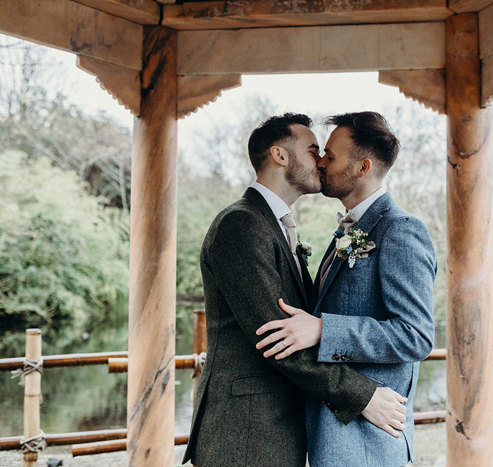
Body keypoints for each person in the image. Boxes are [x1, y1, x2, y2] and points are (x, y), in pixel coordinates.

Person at [183, 113, 408, 467]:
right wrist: (363, 396)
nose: (321, 160)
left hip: (272, 429)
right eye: (313, 149)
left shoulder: (274, 225)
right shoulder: (241, 224)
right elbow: (277, 336)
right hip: (245, 433)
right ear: (280, 156)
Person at [256, 111, 437, 466]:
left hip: (368, 443)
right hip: (332, 437)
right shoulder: (347, 231)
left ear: (362, 167)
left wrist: (323, 329)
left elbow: (416, 335)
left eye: (330, 155)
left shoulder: (400, 230)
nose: (320, 162)